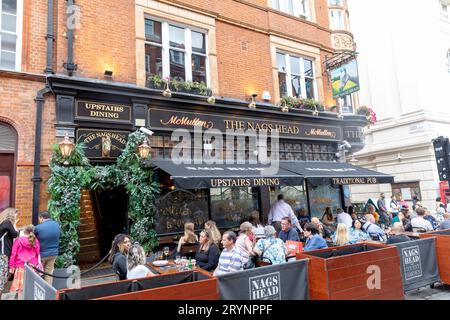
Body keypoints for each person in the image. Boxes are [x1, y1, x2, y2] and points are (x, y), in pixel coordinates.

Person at [9, 224, 40, 299]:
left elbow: (14, 254)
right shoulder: (35, 240)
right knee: (30, 286)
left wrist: (11, 266)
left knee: (20, 288)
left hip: (20, 267)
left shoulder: (18, 240)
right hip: (32, 267)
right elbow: (37, 253)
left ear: (24, 231)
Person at [34, 211, 61, 284]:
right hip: (54, 253)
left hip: (42, 254)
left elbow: (33, 240)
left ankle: (39, 291)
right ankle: (48, 291)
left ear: (41, 218)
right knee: (49, 273)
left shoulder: (38, 227)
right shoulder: (57, 225)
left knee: (38, 273)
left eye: (39, 219)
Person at [0, 208, 19, 299]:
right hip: (4, 253)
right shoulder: (7, 223)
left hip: (3, 253)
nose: (16, 216)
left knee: (3, 276)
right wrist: (15, 224)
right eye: (16, 214)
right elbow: (15, 234)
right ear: (11, 214)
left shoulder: (3, 223)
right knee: (2, 277)